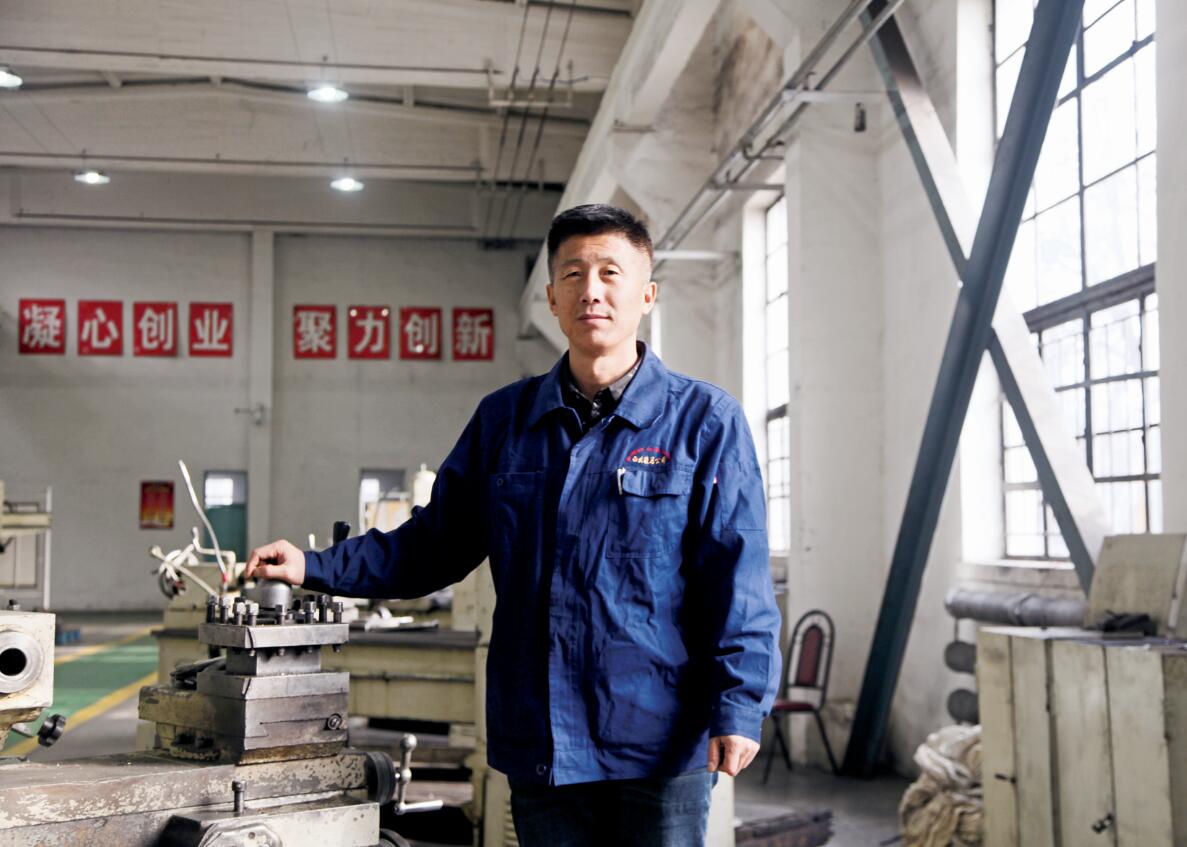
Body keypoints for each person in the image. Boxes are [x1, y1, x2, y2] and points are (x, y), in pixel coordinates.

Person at [246, 204, 781, 846]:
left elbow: (739, 578)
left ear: (647, 294)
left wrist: (739, 705)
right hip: (543, 737)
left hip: (658, 739)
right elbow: (434, 544)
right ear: (552, 298)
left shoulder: (705, 422)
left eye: (611, 273)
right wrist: (314, 566)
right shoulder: (505, 422)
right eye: (573, 274)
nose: (591, 291)